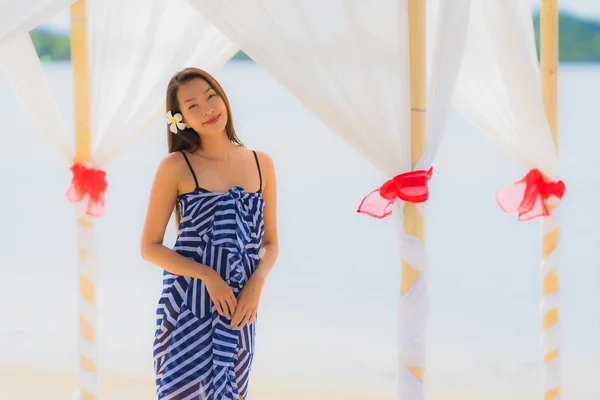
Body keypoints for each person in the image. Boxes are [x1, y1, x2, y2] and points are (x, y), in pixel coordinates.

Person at [140, 67, 279, 400]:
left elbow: (270, 243)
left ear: (223, 98)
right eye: (192, 106)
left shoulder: (262, 164)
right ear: (181, 118)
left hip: (240, 305)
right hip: (188, 303)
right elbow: (150, 247)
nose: (207, 110)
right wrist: (207, 276)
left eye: (210, 96)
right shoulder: (176, 166)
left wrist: (257, 283)